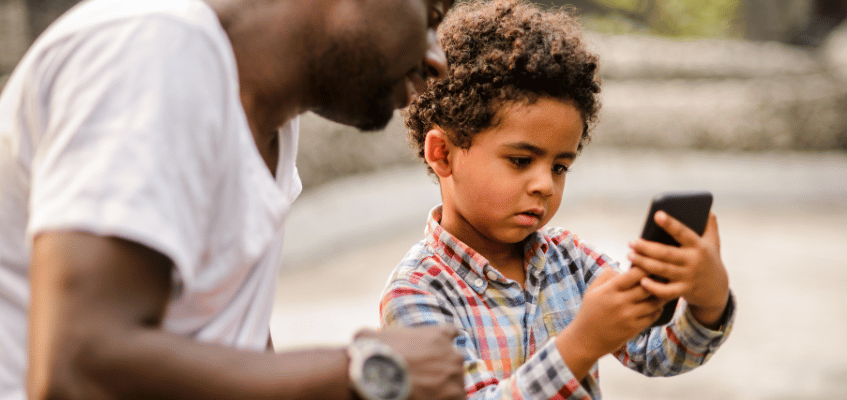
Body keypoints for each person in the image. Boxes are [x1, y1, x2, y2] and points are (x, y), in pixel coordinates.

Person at [0, 0, 467, 399]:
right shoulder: (155, 50)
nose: (437, 59)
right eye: (431, 14)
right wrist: (369, 371)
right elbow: (78, 365)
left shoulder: (269, 117)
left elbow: (231, 356)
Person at [378, 0, 736, 399]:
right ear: (443, 153)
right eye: (520, 160)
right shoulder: (416, 295)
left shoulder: (572, 263)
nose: (545, 185)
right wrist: (581, 343)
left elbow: (659, 353)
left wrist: (709, 299)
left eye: (560, 167)